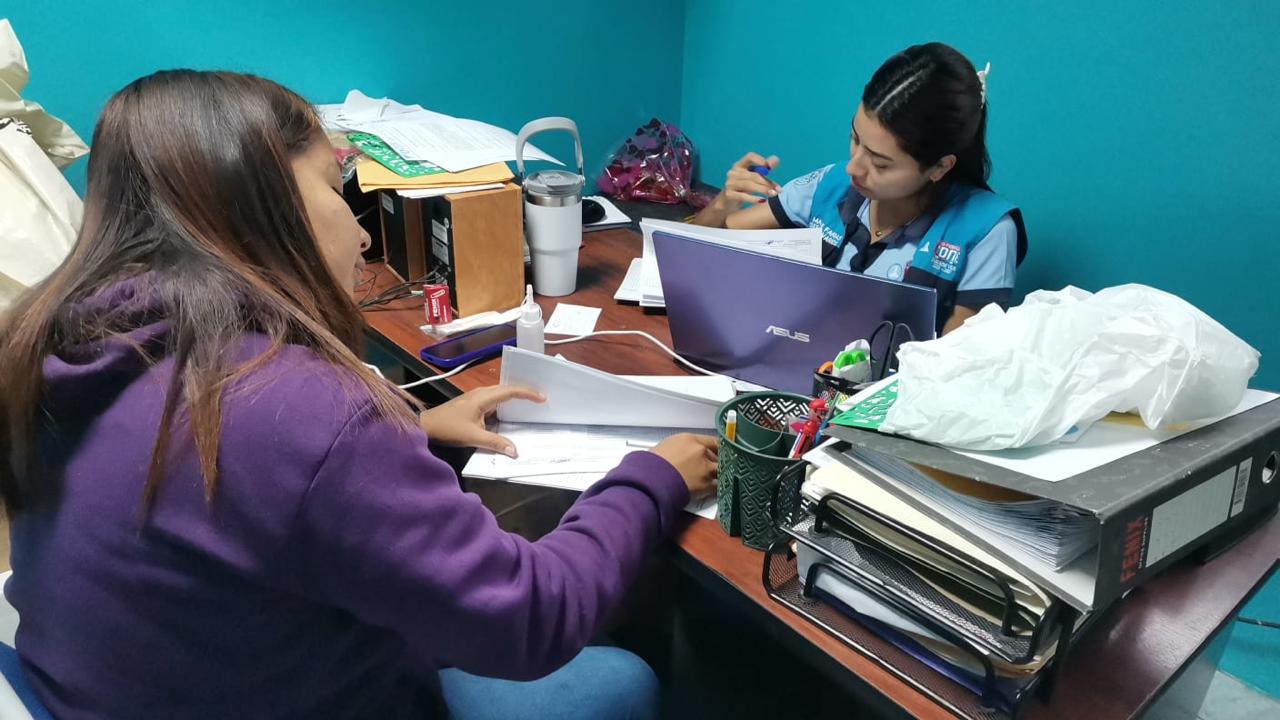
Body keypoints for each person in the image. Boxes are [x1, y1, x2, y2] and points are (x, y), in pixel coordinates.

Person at [0, 70, 718, 719]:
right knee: (618, 677)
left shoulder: (53, 343)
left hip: (113, 688)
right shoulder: (295, 409)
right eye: (335, 187)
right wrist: (650, 480)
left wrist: (414, 430)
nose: (363, 237)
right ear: (268, 202)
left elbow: (221, 502)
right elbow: (534, 620)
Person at [692, 42, 1028, 335]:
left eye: (880, 163)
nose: (853, 167)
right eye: (855, 139)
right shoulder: (833, 184)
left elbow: (954, 369)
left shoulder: (987, 232)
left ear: (940, 166)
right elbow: (692, 251)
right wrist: (723, 204)